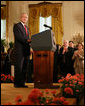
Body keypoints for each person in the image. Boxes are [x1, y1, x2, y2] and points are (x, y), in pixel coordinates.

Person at [13, 13, 31, 88]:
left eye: (26, 17)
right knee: (19, 67)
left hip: (26, 50)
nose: (25, 18)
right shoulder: (17, 26)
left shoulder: (27, 27)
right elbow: (18, 37)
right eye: (23, 17)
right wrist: (28, 40)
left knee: (24, 67)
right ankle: (17, 84)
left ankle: (22, 83)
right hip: (19, 50)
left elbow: (28, 38)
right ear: (20, 18)